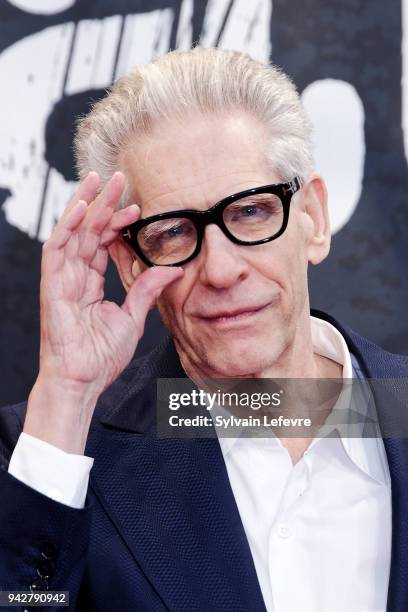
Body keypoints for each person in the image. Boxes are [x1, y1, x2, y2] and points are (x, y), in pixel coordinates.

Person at [0, 46, 407, 612]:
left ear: (312, 218)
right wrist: (68, 400)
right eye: (172, 232)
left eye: (250, 212)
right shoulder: (51, 454)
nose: (220, 269)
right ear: (130, 263)